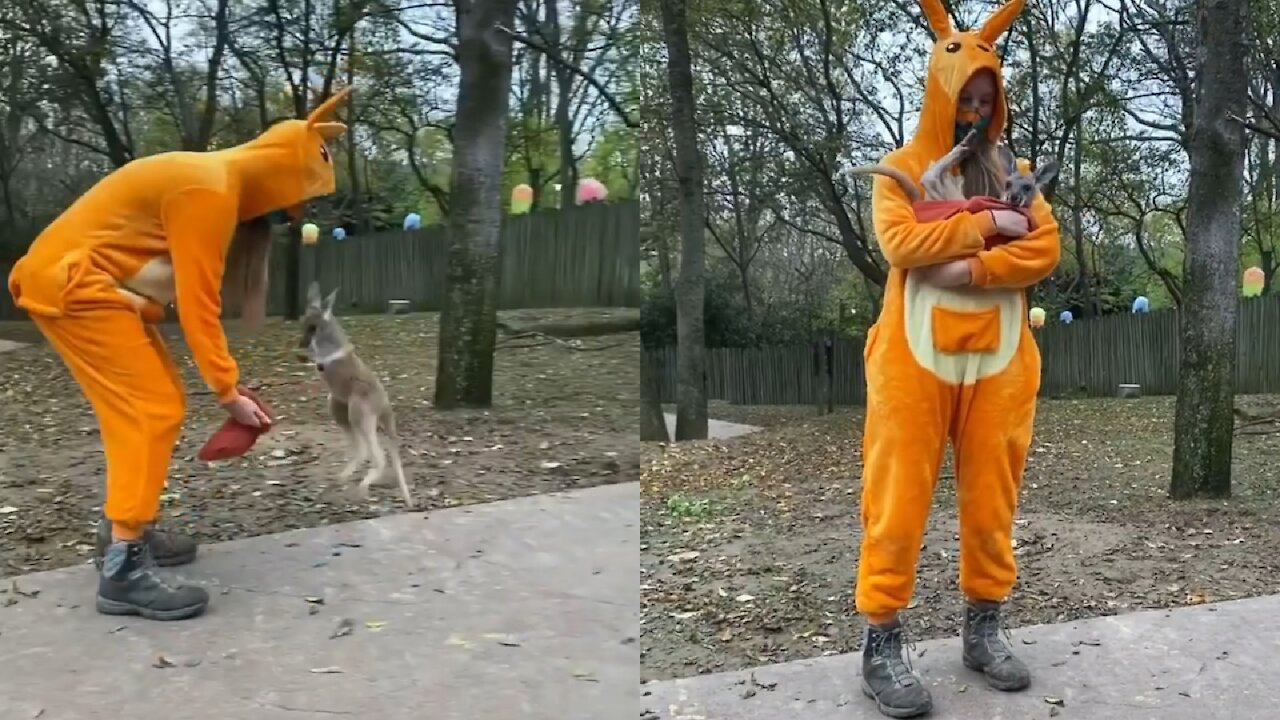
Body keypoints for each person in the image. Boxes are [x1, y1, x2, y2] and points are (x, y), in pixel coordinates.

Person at [6, 87, 354, 621]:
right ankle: (123, 567)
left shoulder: (213, 179)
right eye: (291, 201)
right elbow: (198, 305)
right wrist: (228, 391)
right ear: (280, 174)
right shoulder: (208, 188)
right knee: (152, 411)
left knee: (150, 407)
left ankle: (125, 528)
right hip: (75, 287)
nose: (287, 214)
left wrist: (227, 387)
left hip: (78, 285)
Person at [853, 0, 1061, 716]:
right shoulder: (901, 169)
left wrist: (969, 265)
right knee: (899, 497)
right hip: (914, 360)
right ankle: (882, 640)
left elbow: (1045, 248)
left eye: (986, 99)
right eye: (964, 97)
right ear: (941, 93)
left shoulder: (1017, 169)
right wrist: (991, 224)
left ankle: (984, 627)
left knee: (992, 497)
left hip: (1000, 360)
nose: (975, 111)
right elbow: (901, 247)